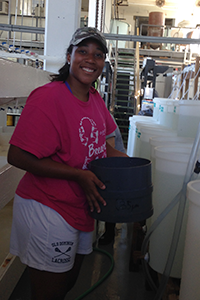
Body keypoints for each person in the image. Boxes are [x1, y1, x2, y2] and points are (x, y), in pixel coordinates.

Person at [7, 27, 128, 300]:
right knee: (50, 292)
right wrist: (77, 175)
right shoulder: (48, 97)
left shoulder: (95, 99)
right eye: (82, 51)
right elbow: (17, 156)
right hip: (48, 206)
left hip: (81, 205)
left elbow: (101, 145)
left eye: (98, 55)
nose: (90, 59)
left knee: (69, 282)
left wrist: (134, 169)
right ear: (69, 56)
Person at [99, 115, 126, 245]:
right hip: (110, 164)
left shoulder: (104, 116)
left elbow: (109, 149)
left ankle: (109, 234)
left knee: (110, 199)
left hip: (115, 165)